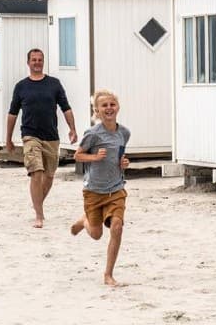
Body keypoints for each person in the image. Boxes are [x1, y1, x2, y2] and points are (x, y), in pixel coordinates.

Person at [5, 48, 77, 228]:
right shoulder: (21, 86)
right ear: (28, 62)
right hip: (30, 136)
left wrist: (72, 129)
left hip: (51, 137)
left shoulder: (54, 84)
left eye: (40, 60)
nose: (37, 63)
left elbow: (66, 108)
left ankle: (37, 203)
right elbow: (12, 114)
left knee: (49, 176)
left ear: (43, 62)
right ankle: (39, 215)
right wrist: (8, 139)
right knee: (36, 172)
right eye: (34, 60)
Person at [70, 89, 131, 287]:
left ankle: (108, 274)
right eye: (104, 106)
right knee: (96, 235)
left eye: (112, 104)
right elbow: (78, 156)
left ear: (118, 107)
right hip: (94, 191)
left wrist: (123, 163)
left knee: (117, 227)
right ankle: (84, 221)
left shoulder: (124, 133)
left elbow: (119, 156)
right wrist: (94, 157)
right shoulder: (93, 134)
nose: (109, 108)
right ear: (97, 111)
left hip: (116, 189)